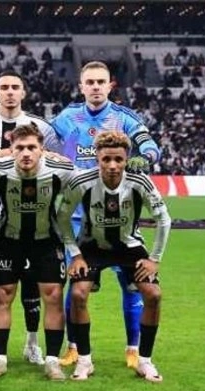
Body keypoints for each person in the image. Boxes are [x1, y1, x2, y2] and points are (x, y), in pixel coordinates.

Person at [47, 61, 161, 369]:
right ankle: (73, 347)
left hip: (120, 217)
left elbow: (150, 146)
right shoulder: (66, 117)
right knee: (77, 285)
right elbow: (42, 143)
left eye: (101, 82)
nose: (95, 87)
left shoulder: (124, 118)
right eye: (90, 82)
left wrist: (145, 157)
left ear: (111, 85)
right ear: (81, 86)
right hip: (77, 218)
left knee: (133, 283)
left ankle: (133, 348)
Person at [56, 130, 170, 382]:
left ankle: (145, 361)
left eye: (118, 159)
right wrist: (75, 254)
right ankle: (84, 361)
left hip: (129, 247)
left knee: (153, 295)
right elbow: (62, 217)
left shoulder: (140, 182)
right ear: (97, 158)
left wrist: (154, 259)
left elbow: (164, 219)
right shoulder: (82, 181)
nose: (112, 165)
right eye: (106, 159)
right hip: (91, 248)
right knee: (78, 294)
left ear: (126, 159)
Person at [0, 124, 75, 380]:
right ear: (11, 150)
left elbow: (88, 180)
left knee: (53, 296)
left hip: (46, 241)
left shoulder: (60, 171)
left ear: (42, 150)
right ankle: (0, 360)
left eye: (32, 147)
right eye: (20, 148)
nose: (26, 153)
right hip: (8, 241)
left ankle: (52, 361)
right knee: (2, 297)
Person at [0, 71, 55, 366]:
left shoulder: (41, 127)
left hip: (34, 214)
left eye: (15, 87)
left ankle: (32, 343)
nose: (9, 92)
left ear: (23, 92)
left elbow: (53, 159)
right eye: (3, 87)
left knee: (32, 279)